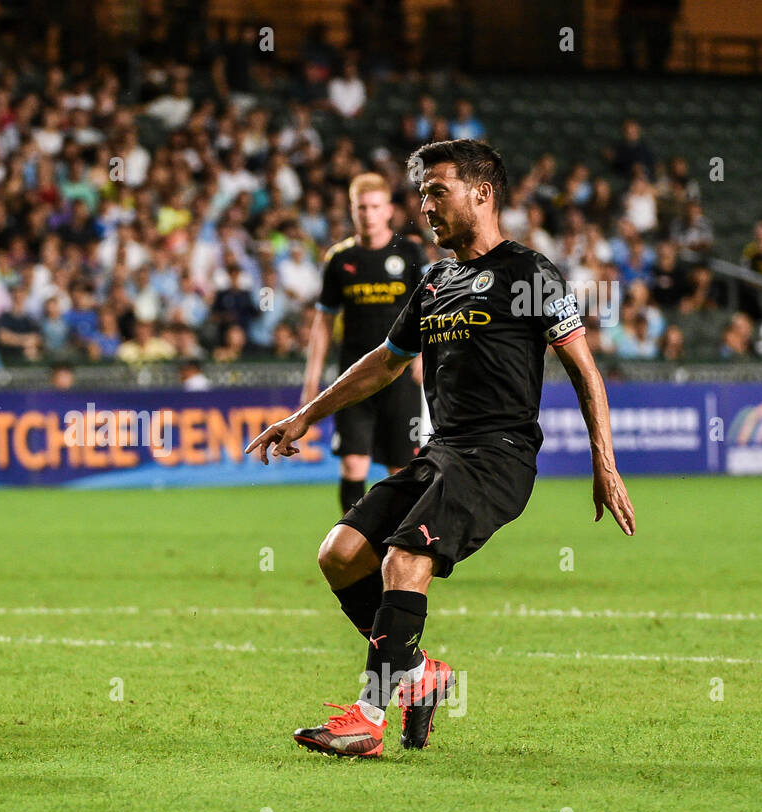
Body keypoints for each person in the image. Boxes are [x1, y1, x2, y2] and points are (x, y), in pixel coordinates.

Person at [247, 139, 636, 758]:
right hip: (443, 451)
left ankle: (368, 718)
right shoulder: (436, 281)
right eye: (422, 193)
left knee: (403, 559)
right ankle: (418, 674)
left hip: (498, 456)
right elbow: (384, 363)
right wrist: (303, 416)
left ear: (482, 194)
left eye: (438, 191)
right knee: (341, 554)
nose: (424, 206)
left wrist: (604, 464)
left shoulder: (528, 273)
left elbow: (586, 371)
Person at [303, 173, 427, 515]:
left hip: (399, 375)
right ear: (351, 211)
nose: (368, 214)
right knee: (353, 465)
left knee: (400, 468)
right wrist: (312, 379)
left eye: (375, 207)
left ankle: (397, 550)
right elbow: (323, 321)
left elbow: (432, 307)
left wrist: (424, 356)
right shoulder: (339, 259)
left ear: (388, 210)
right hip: (353, 376)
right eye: (361, 208)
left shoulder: (410, 251)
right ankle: (353, 549)